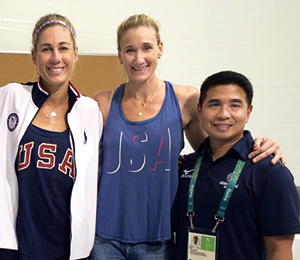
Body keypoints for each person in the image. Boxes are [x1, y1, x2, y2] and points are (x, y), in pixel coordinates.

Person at [90, 14, 284, 260]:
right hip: (105, 237)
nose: (139, 58)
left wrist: (260, 145)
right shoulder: (103, 102)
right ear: (119, 54)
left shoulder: (185, 100)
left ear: (160, 49)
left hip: (157, 239)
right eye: (130, 50)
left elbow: (216, 153)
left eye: (147, 47)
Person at [0, 14, 103, 260]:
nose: (56, 57)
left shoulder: (89, 111)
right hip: (14, 247)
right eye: (46, 49)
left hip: (69, 250)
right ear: (34, 56)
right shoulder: (10, 97)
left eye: (63, 48)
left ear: (75, 54)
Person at [174, 70, 300, 260]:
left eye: (235, 105)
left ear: (248, 112)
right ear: (199, 111)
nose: (224, 114)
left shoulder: (270, 172)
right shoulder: (186, 166)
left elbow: (279, 252)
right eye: (214, 104)